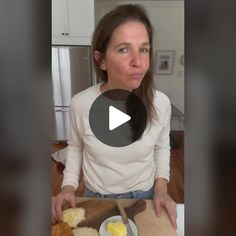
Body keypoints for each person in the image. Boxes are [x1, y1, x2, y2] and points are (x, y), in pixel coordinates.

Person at [52, 4, 177, 229]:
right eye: (123, 49)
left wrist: (161, 189)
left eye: (144, 49)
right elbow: (75, 147)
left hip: (144, 197)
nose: (138, 62)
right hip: (95, 197)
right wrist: (68, 186)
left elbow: (161, 147)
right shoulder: (80, 104)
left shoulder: (160, 104)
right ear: (100, 60)